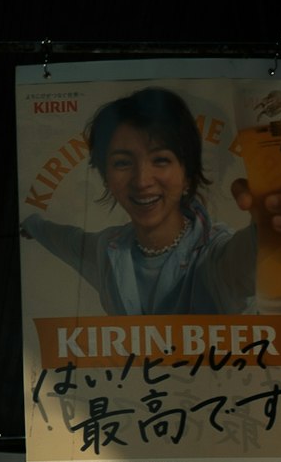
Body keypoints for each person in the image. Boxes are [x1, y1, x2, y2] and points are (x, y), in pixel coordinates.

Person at [16, 85, 264, 315]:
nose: (142, 180)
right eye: (122, 163)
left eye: (161, 160)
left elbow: (250, 258)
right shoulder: (106, 249)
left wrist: (270, 229)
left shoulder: (215, 254)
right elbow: (63, 239)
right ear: (106, 176)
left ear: (187, 173)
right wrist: (32, 224)